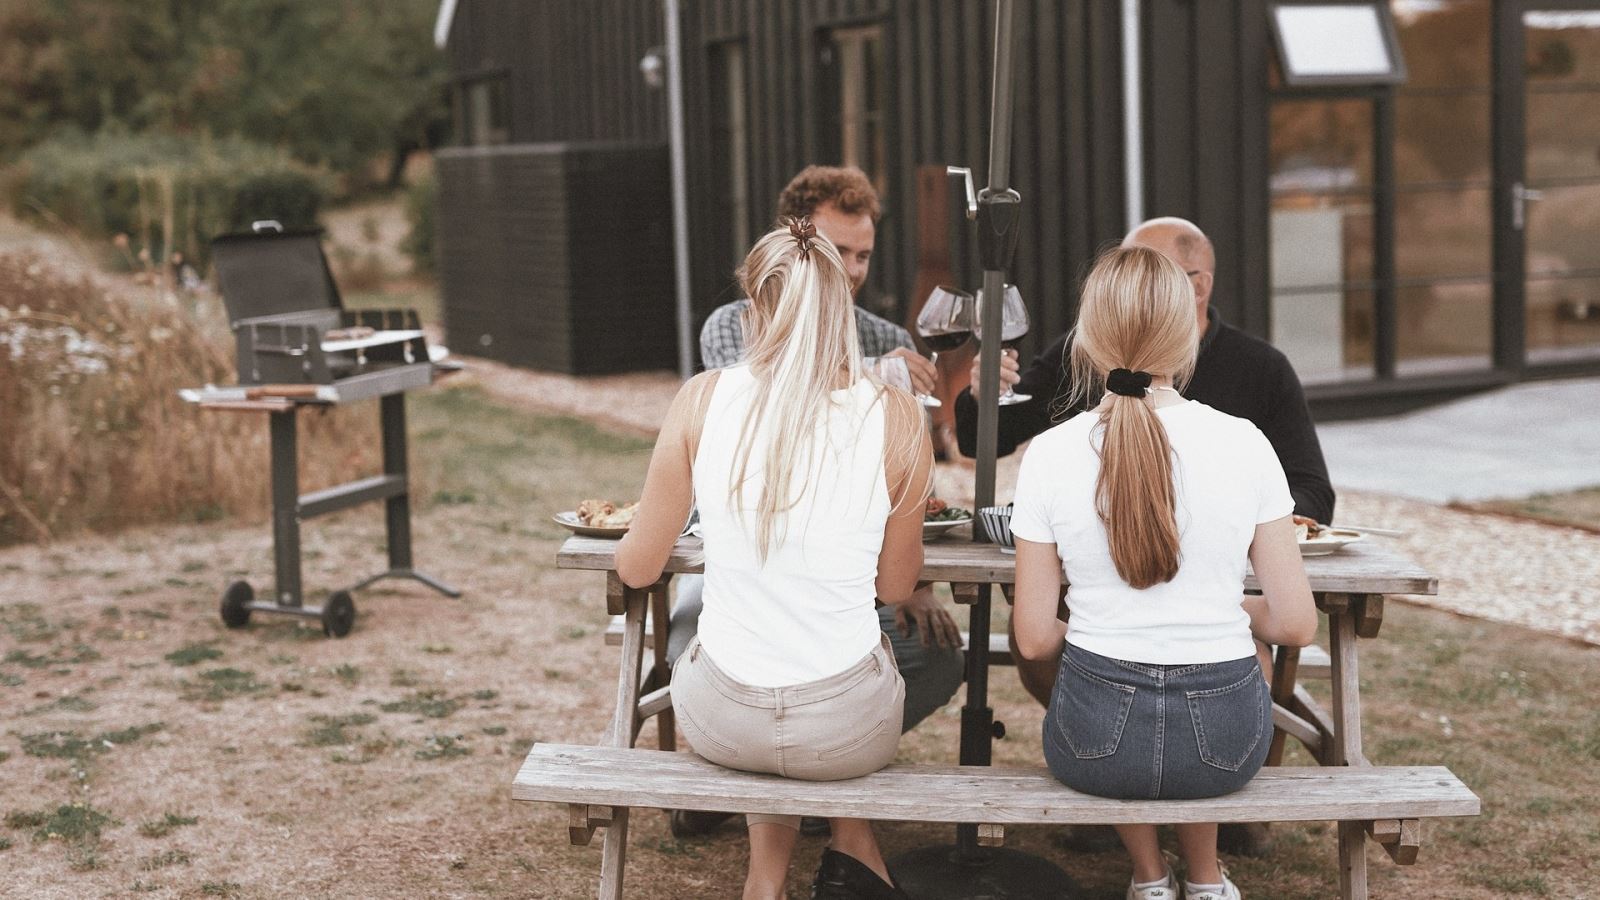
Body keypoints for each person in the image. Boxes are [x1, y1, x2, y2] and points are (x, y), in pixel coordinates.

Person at [617, 218, 932, 900]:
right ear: (840, 305)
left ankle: (766, 881)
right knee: (832, 674)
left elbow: (639, 569)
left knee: (750, 667)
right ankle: (852, 847)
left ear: (755, 307)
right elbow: (898, 583)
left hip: (723, 719)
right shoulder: (899, 417)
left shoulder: (702, 400)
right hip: (847, 725)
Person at [1009, 246, 1317, 900]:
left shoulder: (1050, 454)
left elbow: (1034, 639)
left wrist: (1111, 619)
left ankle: (1149, 877)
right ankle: (1205, 880)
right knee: (1245, 659)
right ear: (1187, 336)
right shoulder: (1245, 443)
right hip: (1228, 748)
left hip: (1094, 748)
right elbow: (1294, 623)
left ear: (1087, 340)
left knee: (1117, 709)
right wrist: (1230, 611)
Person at [672, 166, 965, 840]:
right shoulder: (735, 323)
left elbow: (921, 458)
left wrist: (959, 394)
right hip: (736, 558)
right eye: (838, 253)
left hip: (841, 573)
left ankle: (797, 771)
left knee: (937, 650)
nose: (852, 271)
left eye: (864, 254)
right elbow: (764, 378)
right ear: (795, 242)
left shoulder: (882, 331)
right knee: (692, 627)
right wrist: (876, 377)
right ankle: (776, 778)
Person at [954, 216, 1334, 526]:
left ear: (1198, 287)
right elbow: (982, 440)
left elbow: (1312, 493)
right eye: (1121, 275)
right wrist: (983, 395)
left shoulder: (1261, 370)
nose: (1126, 290)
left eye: (1147, 277)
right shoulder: (1085, 352)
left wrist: (1228, 519)